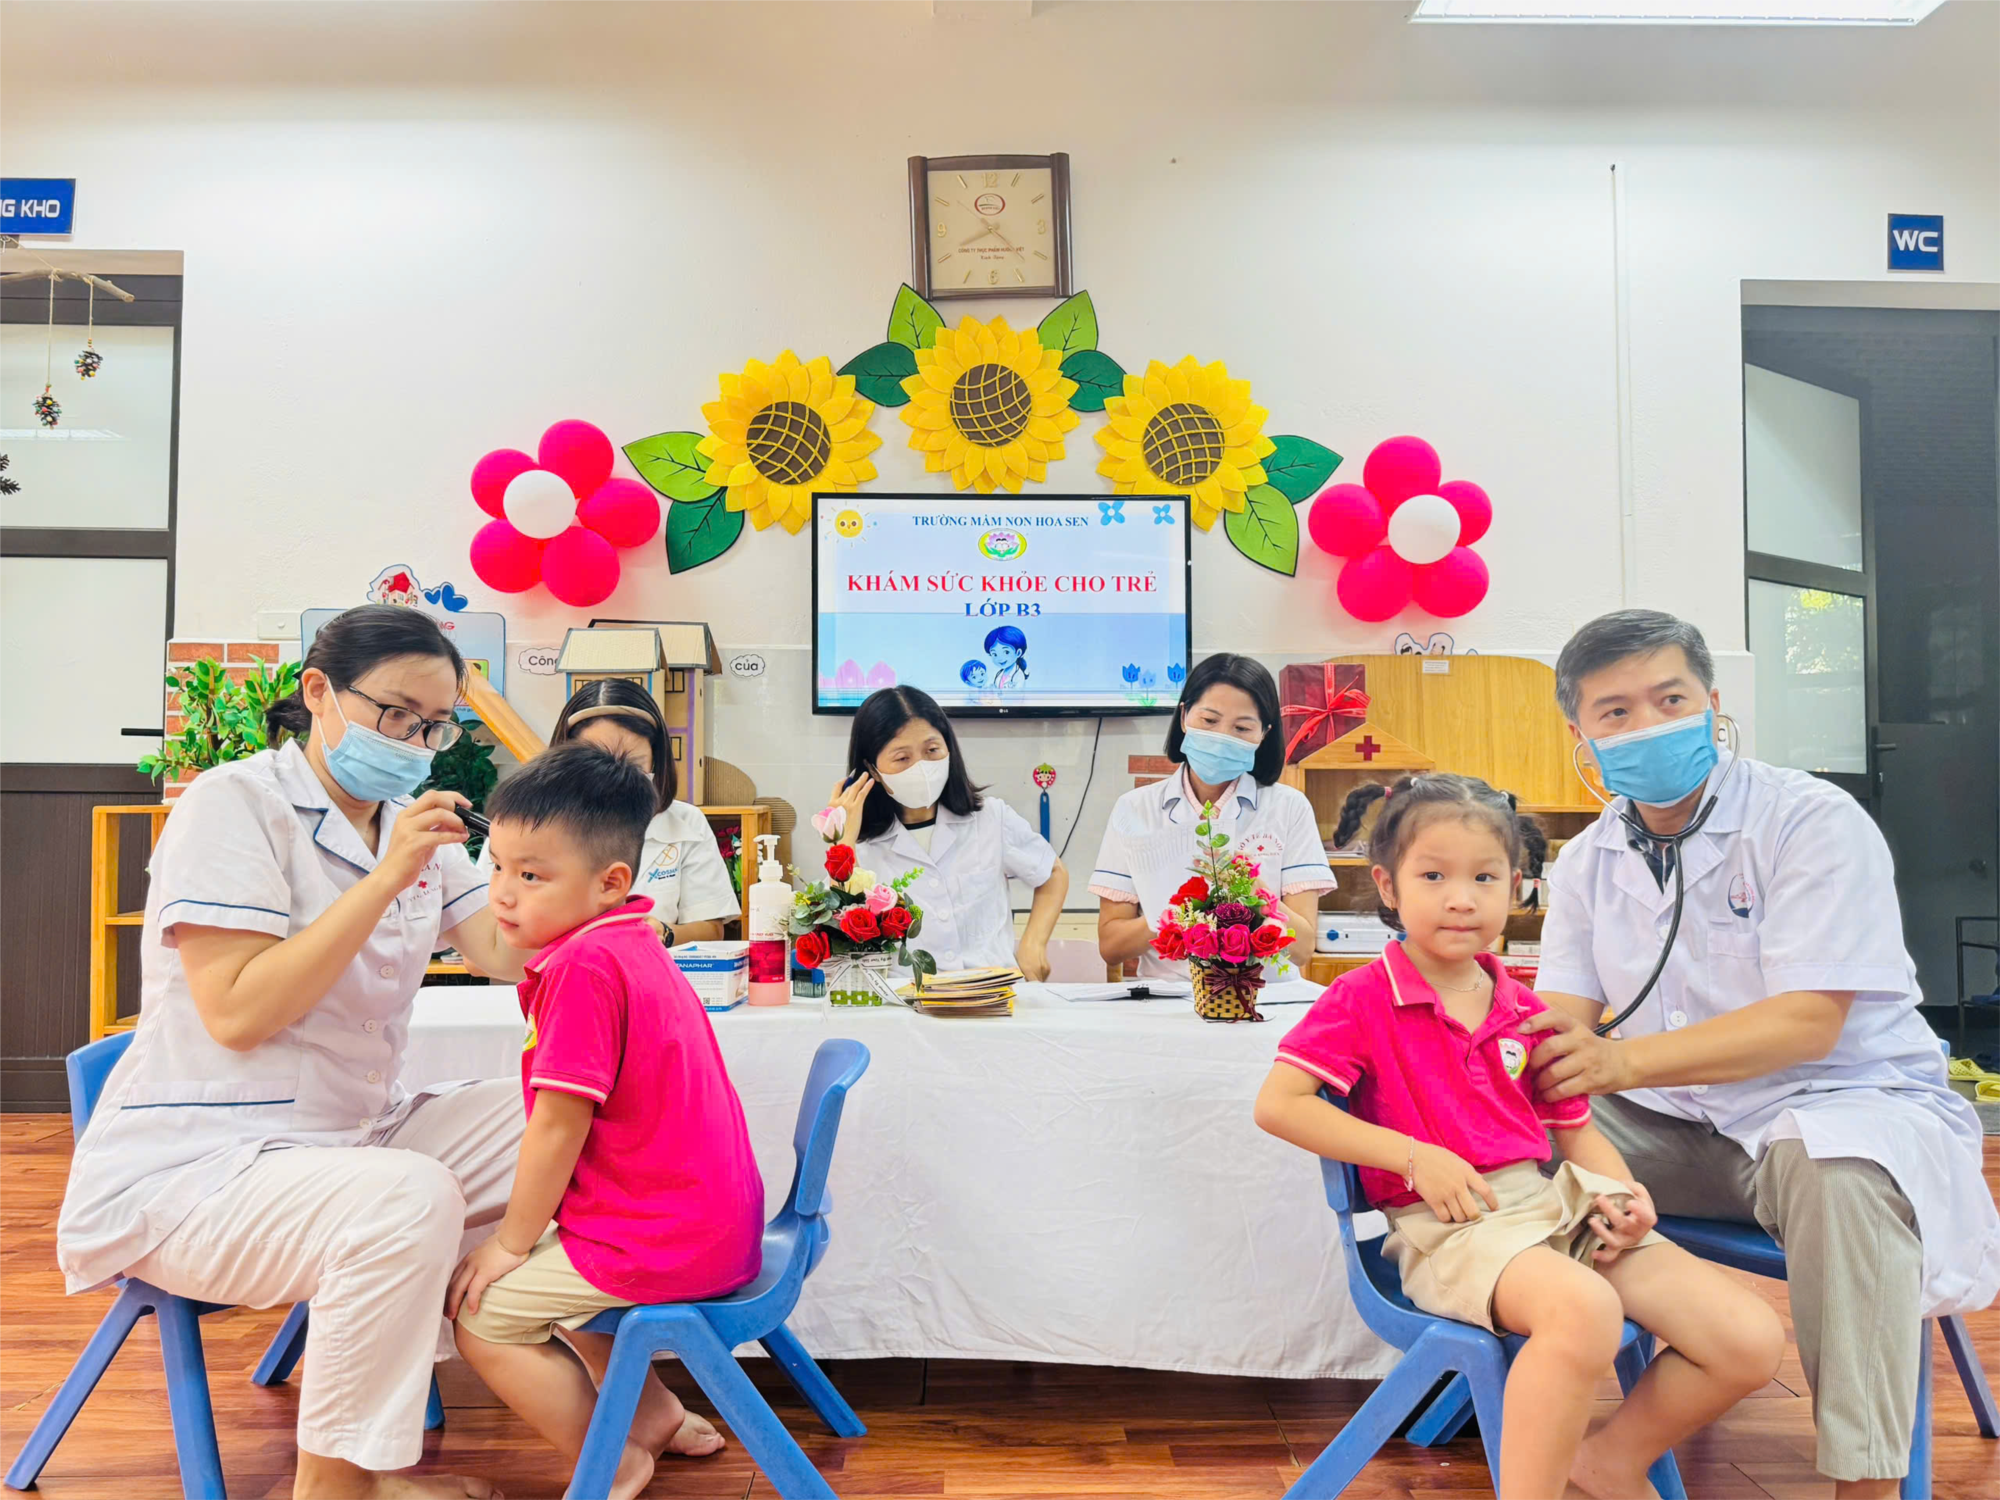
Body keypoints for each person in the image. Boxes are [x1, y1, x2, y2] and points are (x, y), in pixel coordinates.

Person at [1522, 609, 2000, 1500]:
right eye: (1616, 712)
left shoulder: (1809, 821)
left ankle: (1865, 1482)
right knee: (1505, 1137)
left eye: (1670, 699)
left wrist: (1621, 1064)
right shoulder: (1587, 861)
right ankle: (1587, 1405)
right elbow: (1560, 1025)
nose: (1648, 724)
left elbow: (1808, 1024)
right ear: (1580, 736)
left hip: (1833, 1102)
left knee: (1840, 1172)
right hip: (1678, 1126)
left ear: (1713, 703)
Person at [55, 604, 529, 1500]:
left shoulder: (410, 824)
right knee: (406, 1197)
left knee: (556, 1112)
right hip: (200, 1168)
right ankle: (337, 1487)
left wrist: (600, 900)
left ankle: (618, 1393)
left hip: (351, 1137)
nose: (415, 742)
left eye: (435, 725)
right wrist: (386, 877)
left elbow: (504, 952)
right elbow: (237, 1013)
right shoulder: (232, 805)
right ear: (318, 691)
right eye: (396, 715)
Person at [1255, 773, 1783, 1500]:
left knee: (1749, 1340)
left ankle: (1609, 1461)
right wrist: (1414, 1157)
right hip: (1448, 1229)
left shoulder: (1526, 1007)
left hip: (1549, 1209)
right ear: (1387, 885)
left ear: (1518, 885)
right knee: (1585, 1310)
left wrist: (1623, 1196)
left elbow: (1578, 1133)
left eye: (1484, 877)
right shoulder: (1360, 997)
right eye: (1433, 876)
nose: (1461, 898)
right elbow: (1280, 1105)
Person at [451, 744, 763, 1500]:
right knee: (549, 1271)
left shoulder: (583, 969)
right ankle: (654, 1417)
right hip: (703, 1219)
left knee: (484, 1316)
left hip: (667, 1237)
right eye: (497, 867)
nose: (503, 894)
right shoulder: (625, 938)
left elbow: (558, 1131)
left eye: (532, 876)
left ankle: (613, 1461)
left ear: (611, 882)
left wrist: (509, 1243)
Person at [1093, 653, 1334, 978]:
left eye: (1242, 727)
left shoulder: (1289, 807)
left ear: (1263, 734)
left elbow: (1302, 949)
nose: (1222, 738)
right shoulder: (1135, 809)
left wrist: (1255, 894)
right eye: (1209, 721)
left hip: (1267, 999)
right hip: (1167, 1000)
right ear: (1184, 717)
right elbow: (1111, 947)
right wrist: (1178, 910)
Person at [819, 686, 1066, 978]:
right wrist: (843, 840)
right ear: (872, 770)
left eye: (932, 750)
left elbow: (1052, 873)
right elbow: (842, 937)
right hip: (904, 999)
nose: (922, 767)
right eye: (902, 758)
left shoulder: (990, 817)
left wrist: (1033, 944)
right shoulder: (858, 843)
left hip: (992, 993)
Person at [481, 678, 738, 947]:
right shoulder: (521, 822)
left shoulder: (684, 822)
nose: (613, 778)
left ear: (656, 761)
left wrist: (661, 932)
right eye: (597, 762)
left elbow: (711, 928)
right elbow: (485, 941)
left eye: (631, 764)